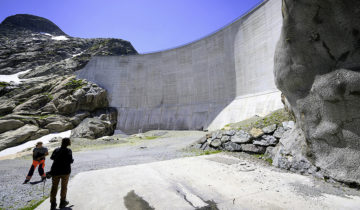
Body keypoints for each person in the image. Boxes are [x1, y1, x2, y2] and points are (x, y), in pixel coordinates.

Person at [49, 138, 74, 210]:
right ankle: (62, 202)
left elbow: (52, 158)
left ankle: (53, 204)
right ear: (68, 143)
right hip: (65, 171)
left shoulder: (56, 150)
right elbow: (70, 161)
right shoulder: (69, 151)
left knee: (54, 187)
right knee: (64, 187)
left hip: (55, 171)